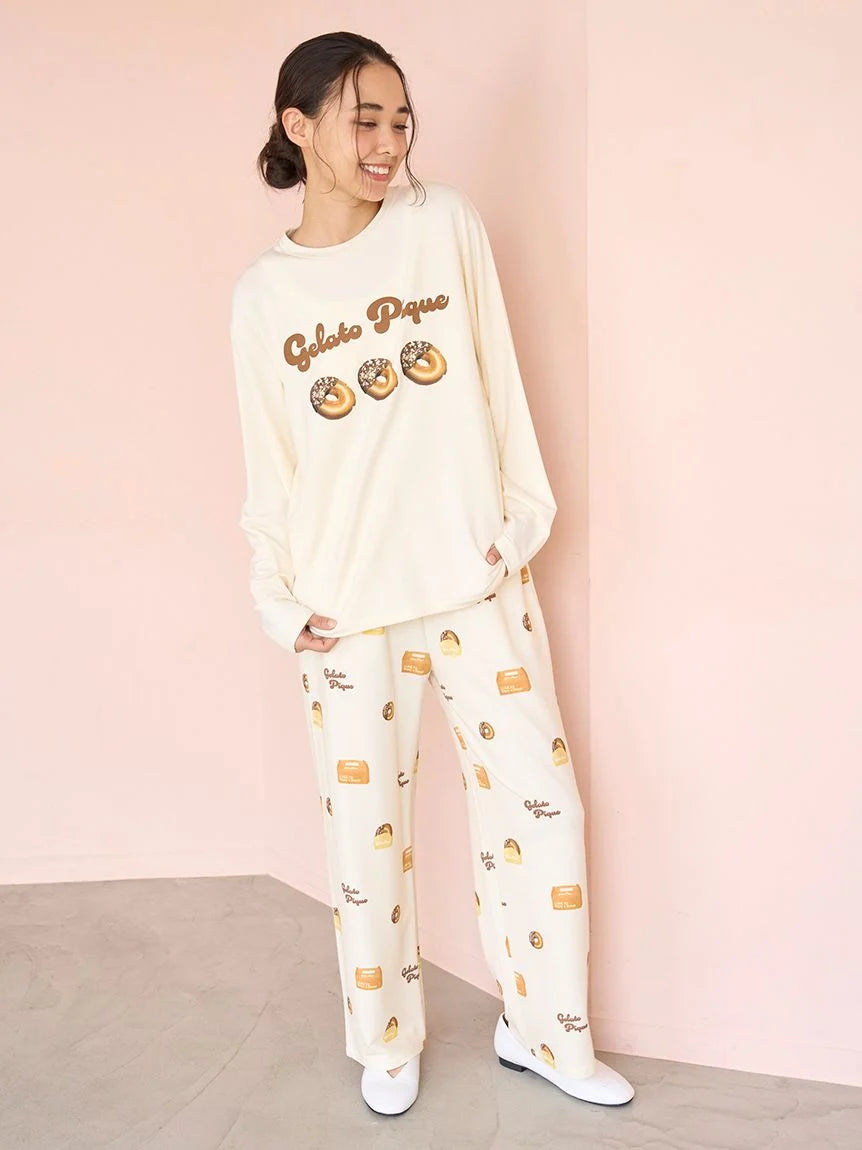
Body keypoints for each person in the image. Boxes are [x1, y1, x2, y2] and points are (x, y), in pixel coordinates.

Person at [229, 30, 635, 1117]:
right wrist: (278, 600)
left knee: (540, 807)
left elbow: (498, 375)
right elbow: (271, 466)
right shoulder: (263, 296)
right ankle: (385, 1037)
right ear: (298, 126)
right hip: (344, 609)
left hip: (473, 580)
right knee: (366, 844)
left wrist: (520, 519)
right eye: (363, 119)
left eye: (400, 120)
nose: (388, 142)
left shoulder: (441, 224)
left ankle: (545, 1031)